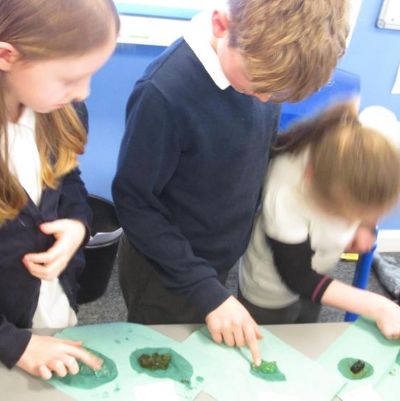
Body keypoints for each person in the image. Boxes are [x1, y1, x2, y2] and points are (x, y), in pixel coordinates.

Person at [112, 0, 349, 365]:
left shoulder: (260, 66)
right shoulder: (162, 93)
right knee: (161, 361)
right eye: (258, 87)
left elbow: (250, 142)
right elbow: (134, 203)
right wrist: (204, 289)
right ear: (221, 25)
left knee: (201, 355)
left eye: (276, 93)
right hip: (165, 268)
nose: (265, 99)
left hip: (218, 252)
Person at [0, 0, 119, 380]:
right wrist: (14, 344)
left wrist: (77, 225)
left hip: (49, 303)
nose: (83, 92)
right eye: (69, 79)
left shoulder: (61, 111)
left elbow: (68, 179)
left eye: (91, 74)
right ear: (6, 55)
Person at [239, 102, 400, 340]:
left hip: (320, 271)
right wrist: (379, 306)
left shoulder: (374, 138)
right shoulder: (284, 193)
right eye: (345, 214)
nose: (350, 221)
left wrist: (365, 225)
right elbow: (298, 276)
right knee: (268, 343)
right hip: (270, 290)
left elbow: (378, 115)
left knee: (306, 330)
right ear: (310, 177)